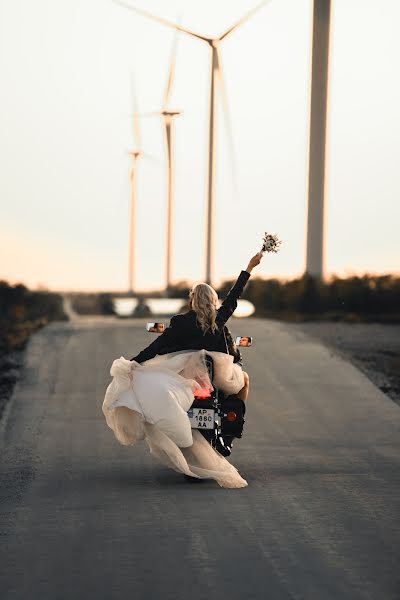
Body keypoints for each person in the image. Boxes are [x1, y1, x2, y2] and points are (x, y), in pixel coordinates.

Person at [130, 251, 264, 401]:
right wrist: (250, 267)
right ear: (212, 300)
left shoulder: (179, 322)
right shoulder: (218, 320)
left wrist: (133, 363)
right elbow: (234, 295)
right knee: (243, 379)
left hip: (184, 378)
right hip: (218, 379)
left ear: (192, 300)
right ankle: (237, 423)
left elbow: (156, 347)